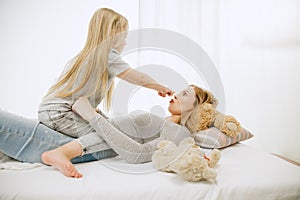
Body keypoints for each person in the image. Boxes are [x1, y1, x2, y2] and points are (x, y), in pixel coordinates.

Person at [37, 8, 174, 177]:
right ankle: (60, 154)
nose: (125, 43)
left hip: (52, 111)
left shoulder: (89, 55)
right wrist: (159, 86)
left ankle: (59, 151)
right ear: (113, 32)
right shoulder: (107, 55)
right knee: (109, 136)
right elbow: (135, 76)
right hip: (60, 113)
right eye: (124, 37)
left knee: (109, 128)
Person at [41, 85, 217, 178]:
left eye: (185, 94)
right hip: (84, 131)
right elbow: (120, 129)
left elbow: (138, 154)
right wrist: (97, 115)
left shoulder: (179, 133)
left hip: (83, 144)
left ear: (196, 108)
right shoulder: (166, 122)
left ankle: (61, 153)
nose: (177, 94)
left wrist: (92, 117)